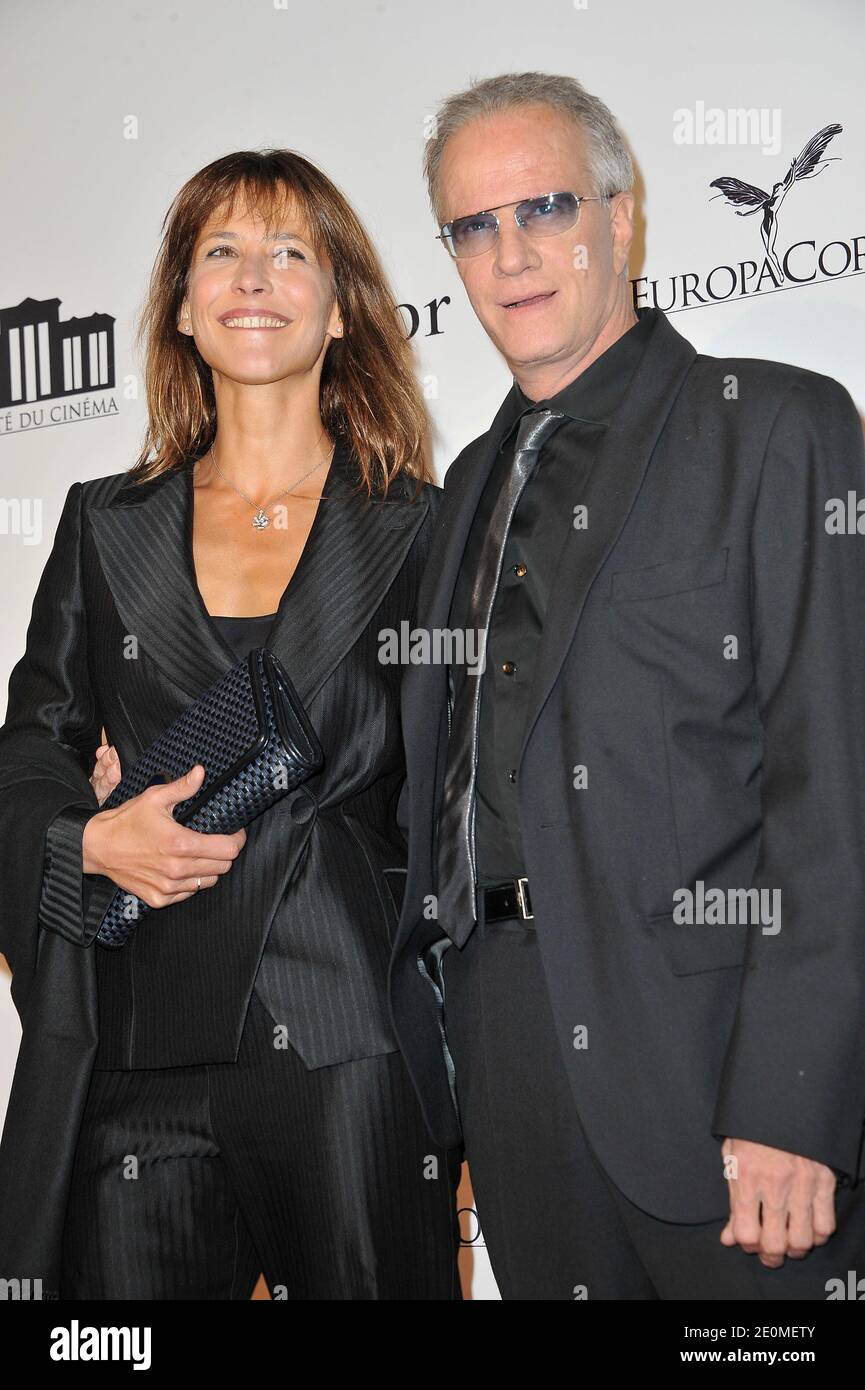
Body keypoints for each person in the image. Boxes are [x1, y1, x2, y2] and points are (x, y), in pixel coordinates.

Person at [387, 71, 865, 1299]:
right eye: (472, 226)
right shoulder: (463, 494)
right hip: (513, 1078)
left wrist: (794, 1099)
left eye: (542, 207)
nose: (510, 253)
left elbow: (836, 789)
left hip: (721, 1091)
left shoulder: (775, 428)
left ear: (622, 216)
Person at [0, 148, 462, 1300]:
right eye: (221, 251)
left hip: (347, 1039)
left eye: (289, 251)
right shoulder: (104, 526)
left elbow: (468, 786)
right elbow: (28, 750)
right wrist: (86, 841)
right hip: (139, 1043)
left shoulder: (424, 529)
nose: (253, 277)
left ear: (345, 305)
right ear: (181, 306)